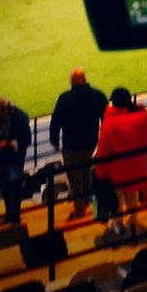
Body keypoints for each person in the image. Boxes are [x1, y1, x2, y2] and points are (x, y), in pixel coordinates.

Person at [93, 87, 147, 242]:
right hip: (136, 167)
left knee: (116, 199)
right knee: (132, 195)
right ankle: (133, 223)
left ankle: (118, 225)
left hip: (116, 171)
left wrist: (99, 174)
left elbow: (103, 152)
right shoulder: (141, 118)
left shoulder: (109, 123)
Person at [49, 67, 108, 220]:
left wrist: (54, 140)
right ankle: (86, 201)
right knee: (86, 172)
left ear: (72, 81)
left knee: (75, 180)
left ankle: (80, 212)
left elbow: (56, 121)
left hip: (72, 146)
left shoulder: (65, 98)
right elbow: (107, 120)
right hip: (91, 144)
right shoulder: (97, 95)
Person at [0, 97, 30, 223]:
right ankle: (9, 215)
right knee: (5, 188)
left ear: (5, 110)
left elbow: (26, 141)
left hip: (15, 158)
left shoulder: (21, 118)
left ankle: (15, 216)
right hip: (1, 156)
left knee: (14, 187)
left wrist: (8, 143)